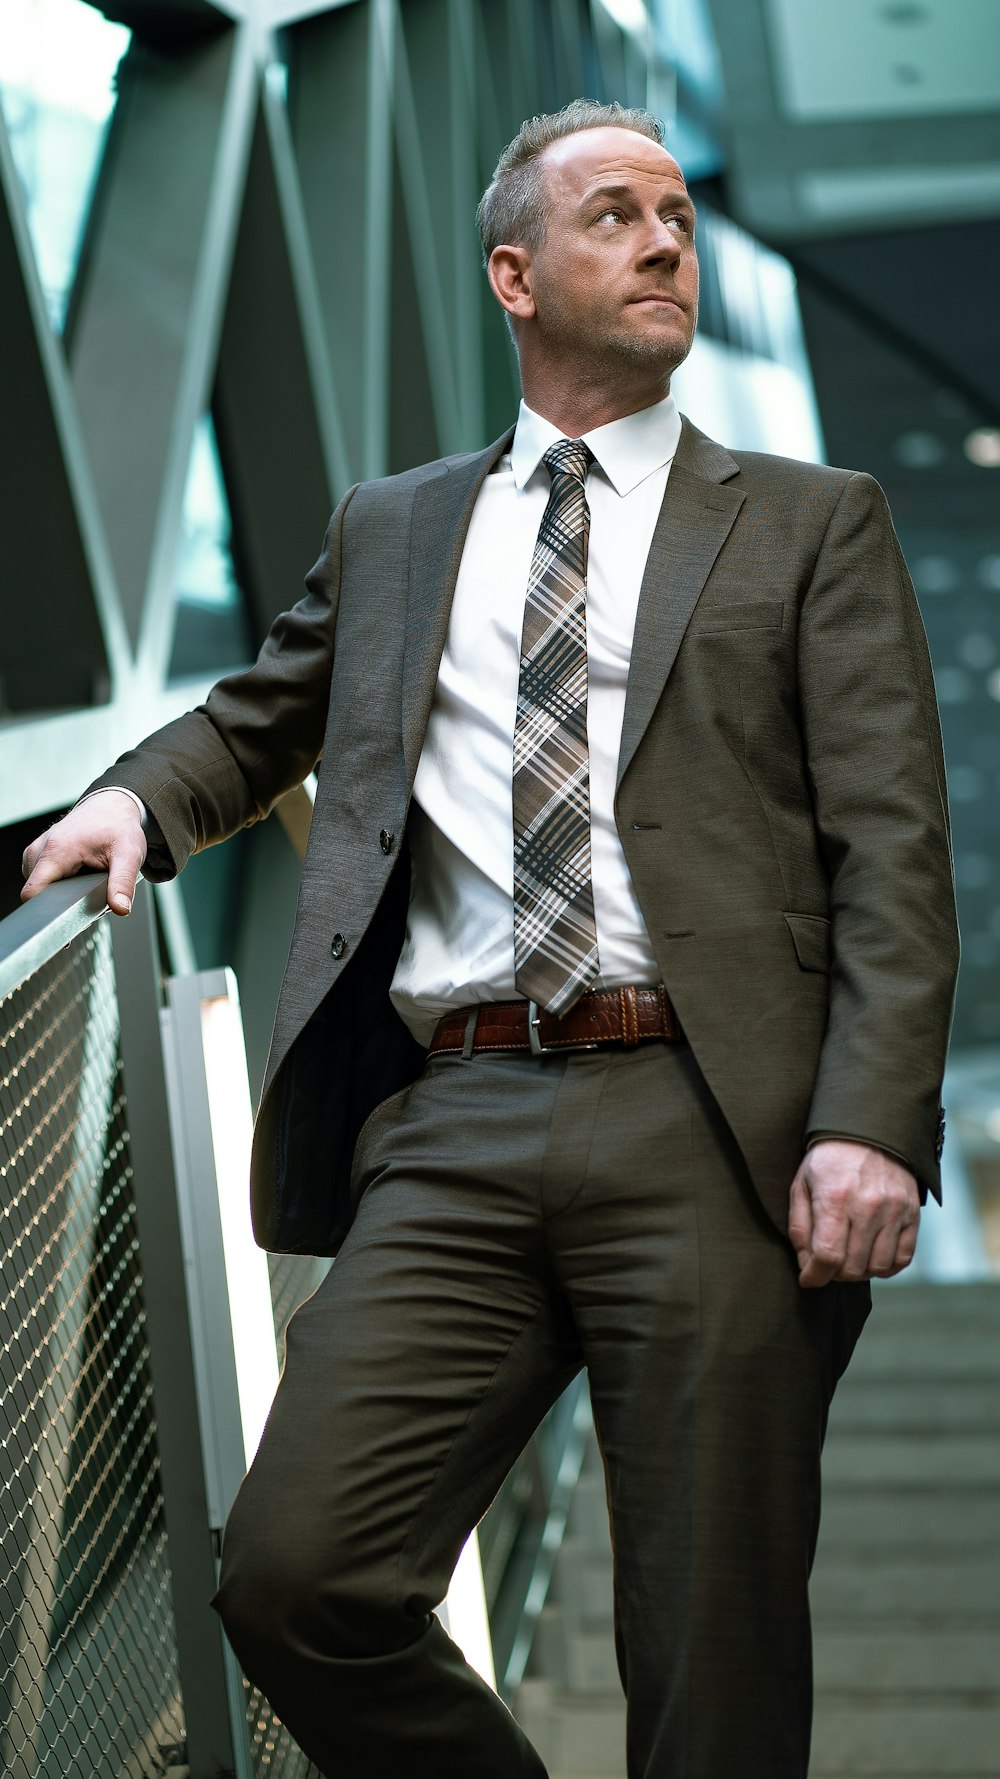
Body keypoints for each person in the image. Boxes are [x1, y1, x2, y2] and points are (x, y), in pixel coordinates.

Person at [21, 99, 959, 1779]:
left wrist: (869, 1118)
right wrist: (134, 809)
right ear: (515, 275)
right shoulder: (402, 525)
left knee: (712, 1649)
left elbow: (891, 842)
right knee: (298, 1576)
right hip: (450, 1122)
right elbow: (260, 716)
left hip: (712, 1116)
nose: (667, 238)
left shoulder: (814, 520)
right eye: (619, 214)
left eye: (678, 213)